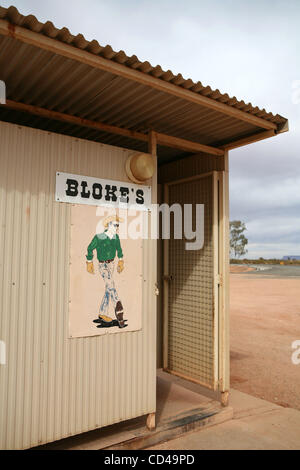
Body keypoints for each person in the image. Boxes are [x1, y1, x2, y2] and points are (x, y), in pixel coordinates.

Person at [86, 215, 126, 328]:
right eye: (115, 225)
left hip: (111, 264)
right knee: (111, 286)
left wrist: (121, 261)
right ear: (108, 225)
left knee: (108, 288)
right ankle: (119, 309)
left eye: (118, 225)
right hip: (102, 265)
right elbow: (90, 248)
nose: (117, 227)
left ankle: (102, 313)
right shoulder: (99, 237)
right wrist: (89, 261)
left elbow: (119, 249)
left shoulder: (116, 237)